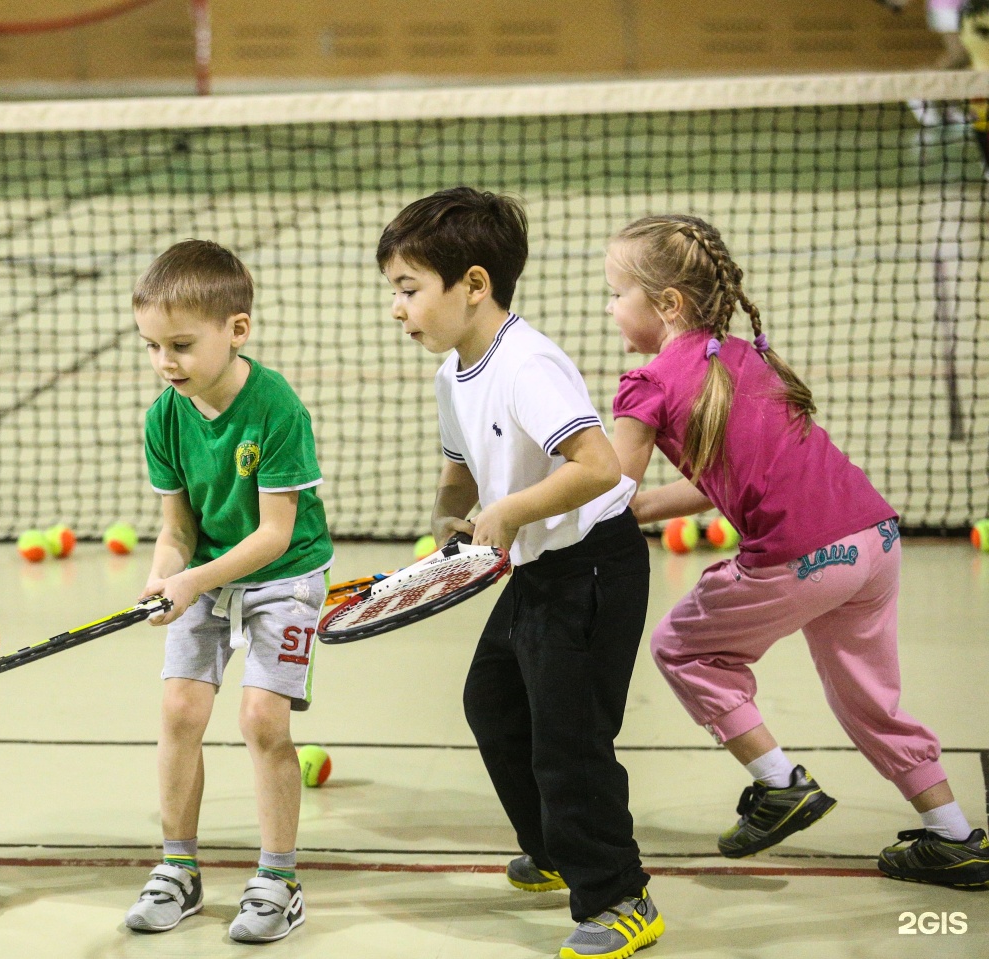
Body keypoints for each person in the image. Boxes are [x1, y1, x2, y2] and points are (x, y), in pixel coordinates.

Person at [607, 214, 989, 889]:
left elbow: (604, 488)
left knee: (683, 647)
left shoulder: (649, 385)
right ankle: (954, 836)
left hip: (800, 556)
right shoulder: (741, 359)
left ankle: (780, 782)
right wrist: (639, 506)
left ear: (667, 304)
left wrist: (522, 508)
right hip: (873, 538)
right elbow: (705, 484)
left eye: (615, 292)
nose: (610, 306)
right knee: (871, 700)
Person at [380, 187, 662, 959]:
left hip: (593, 569)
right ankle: (553, 848)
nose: (397, 308)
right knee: (494, 701)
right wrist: (453, 514)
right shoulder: (452, 371)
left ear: (473, 284)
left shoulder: (528, 363)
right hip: (540, 570)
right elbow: (460, 469)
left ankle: (618, 894)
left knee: (567, 738)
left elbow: (599, 467)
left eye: (408, 290)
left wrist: (508, 514)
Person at [124, 239, 334, 943]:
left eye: (180, 344)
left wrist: (190, 579)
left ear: (236, 329)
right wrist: (164, 573)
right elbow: (177, 527)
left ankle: (278, 879)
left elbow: (275, 535)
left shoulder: (275, 408)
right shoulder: (165, 416)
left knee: (262, 721)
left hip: (283, 575)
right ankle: (177, 869)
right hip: (206, 574)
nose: (165, 362)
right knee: (181, 710)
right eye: (151, 346)